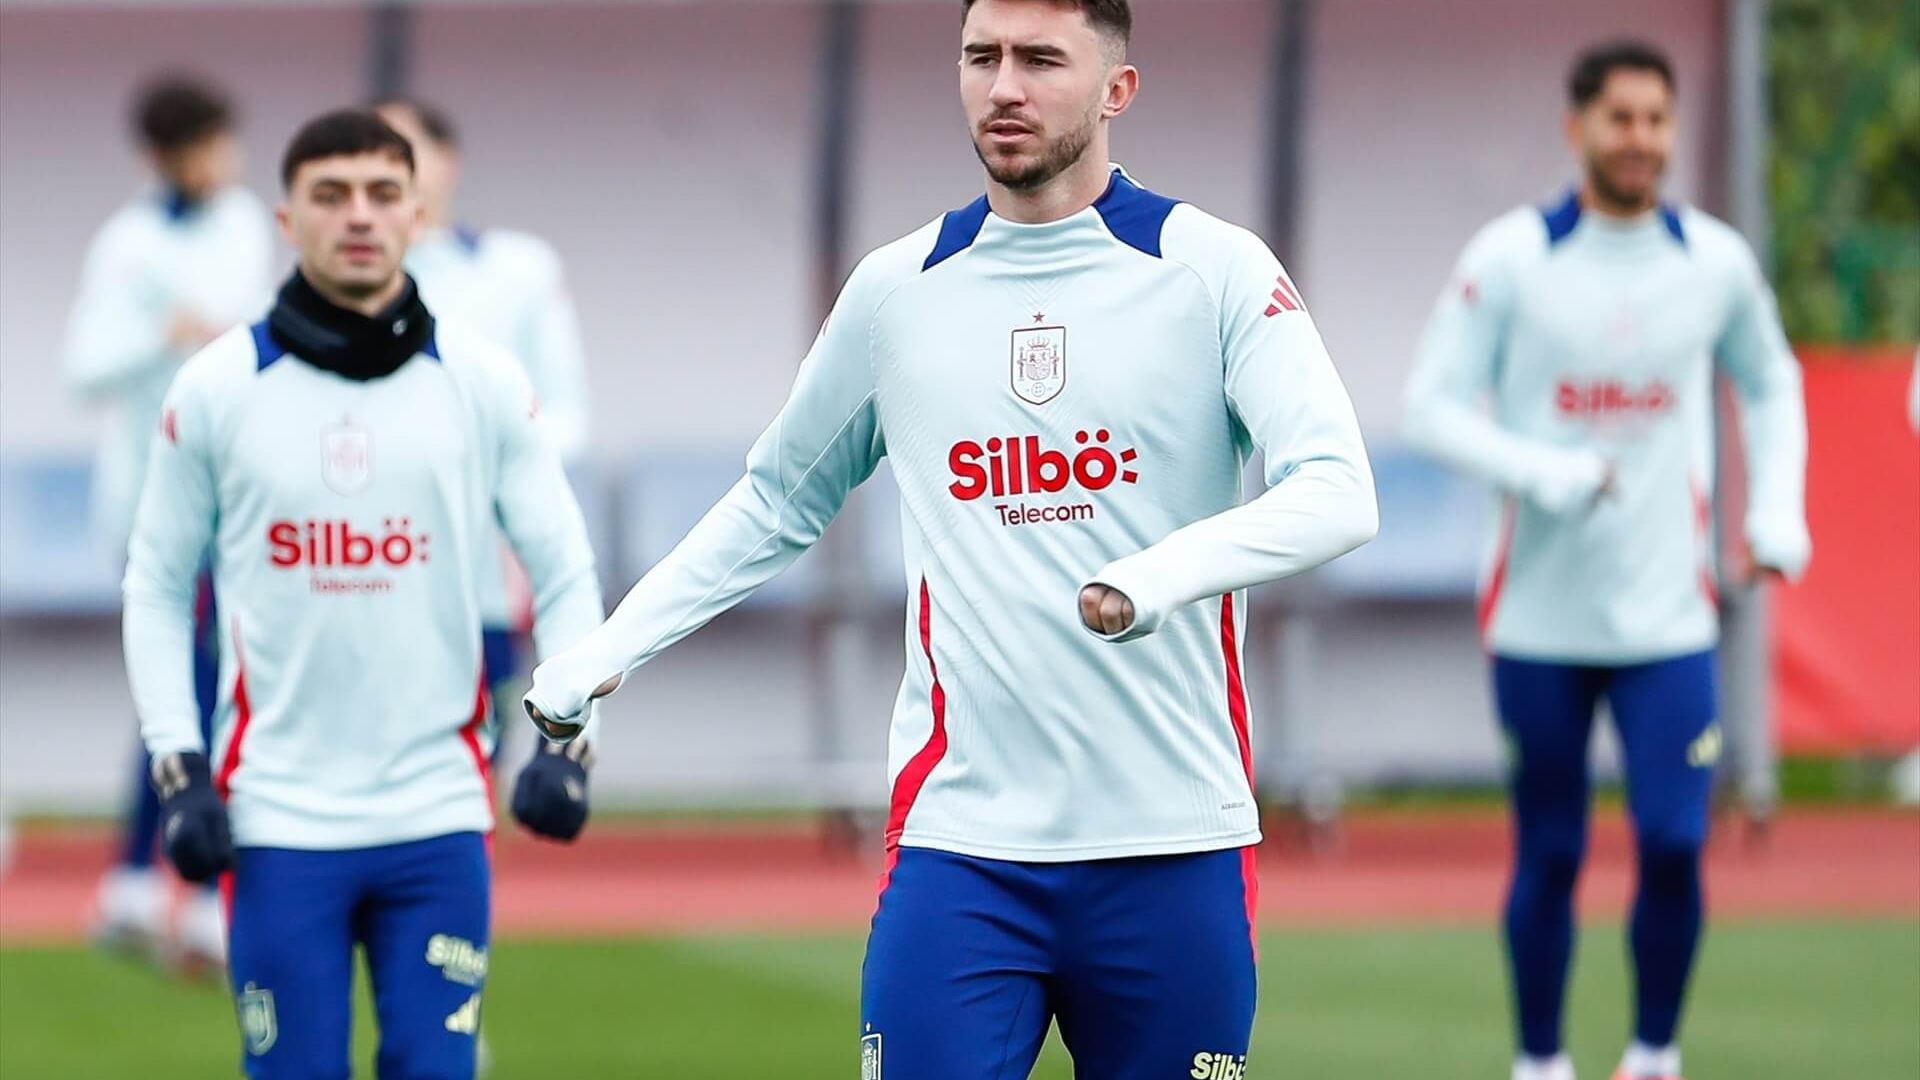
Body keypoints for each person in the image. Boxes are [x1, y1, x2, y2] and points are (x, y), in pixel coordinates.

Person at [525, 1, 1376, 1075]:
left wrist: (1158, 576)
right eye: (982, 57)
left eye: (1040, 60)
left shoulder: (1213, 270)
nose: (1004, 86)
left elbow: (1340, 490)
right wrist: (605, 651)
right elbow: (774, 500)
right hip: (962, 848)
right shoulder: (898, 290)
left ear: (1117, 89)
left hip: (1174, 841)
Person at [122, 109, 604, 1078]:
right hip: (276, 821)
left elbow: (565, 570)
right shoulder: (216, 386)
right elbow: (158, 586)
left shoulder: (481, 380)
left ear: (417, 213)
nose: (359, 216)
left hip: (436, 819)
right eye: (330, 194)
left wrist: (570, 742)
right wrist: (179, 770)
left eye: (384, 194)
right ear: (283, 218)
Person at [1402, 40, 1810, 1080]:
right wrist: (1538, 469)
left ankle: (1653, 1054)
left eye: (1657, 121)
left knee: (1675, 841)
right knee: (1551, 851)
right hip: (1538, 621)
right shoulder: (1510, 259)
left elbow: (1770, 383)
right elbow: (1429, 406)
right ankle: (1540, 1062)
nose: (1641, 140)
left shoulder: (1712, 262)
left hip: (1670, 618)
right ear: (1576, 127)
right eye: (1620, 119)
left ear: (1674, 133)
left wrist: (1777, 512)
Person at [64, 72, 272, 970]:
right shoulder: (128, 244)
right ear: (167, 155)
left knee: (218, 683)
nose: (223, 160)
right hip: (153, 500)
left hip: (239, 489)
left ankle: (153, 885)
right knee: (188, 683)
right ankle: (167, 887)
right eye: (207, 145)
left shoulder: (244, 224)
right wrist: (165, 334)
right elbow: (84, 366)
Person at [371, 97, 593, 747]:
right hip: (366, 551)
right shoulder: (338, 280)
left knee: (472, 746)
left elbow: (568, 412)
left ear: (448, 161)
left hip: (483, 561)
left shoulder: (519, 269)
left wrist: (489, 460)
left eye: (405, 150)